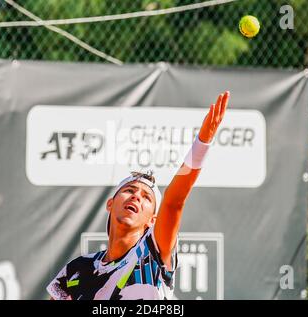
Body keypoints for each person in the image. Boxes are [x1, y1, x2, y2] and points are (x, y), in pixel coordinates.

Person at [47, 91, 230, 300]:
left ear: (153, 221)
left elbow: (173, 202)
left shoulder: (152, 252)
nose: (136, 197)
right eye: (129, 190)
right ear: (110, 203)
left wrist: (203, 142)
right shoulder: (78, 269)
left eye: (146, 197)